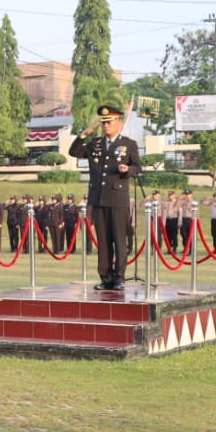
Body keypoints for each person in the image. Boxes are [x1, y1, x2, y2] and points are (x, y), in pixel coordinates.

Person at [68, 104, 142, 291]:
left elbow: (138, 168)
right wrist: (84, 134)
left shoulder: (128, 144)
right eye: (103, 123)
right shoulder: (95, 144)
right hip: (99, 198)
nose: (106, 126)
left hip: (117, 199)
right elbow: (74, 152)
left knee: (119, 239)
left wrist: (128, 170)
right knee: (103, 241)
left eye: (109, 122)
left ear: (118, 122)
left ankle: (119, 278)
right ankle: (105, 277)